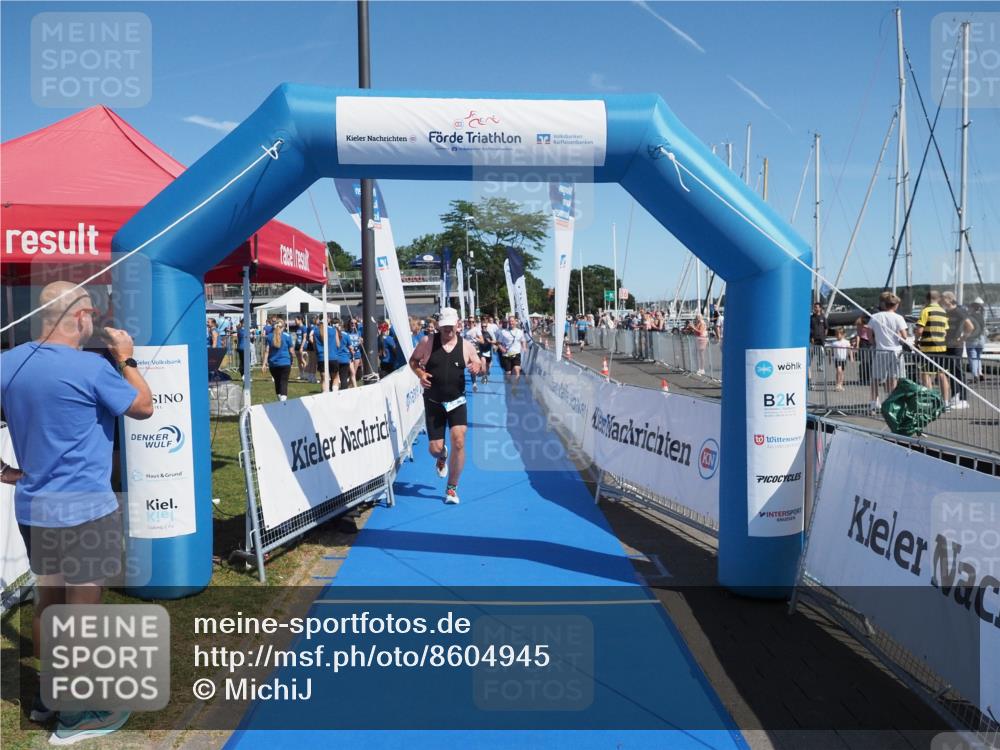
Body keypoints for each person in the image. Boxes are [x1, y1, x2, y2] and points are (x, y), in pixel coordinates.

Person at [0, 281, 153, 744]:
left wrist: (6, 470)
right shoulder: (91, 367)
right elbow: (144, 406)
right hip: (85, 510)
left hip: (34, 506)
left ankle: (51, 696)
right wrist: (126, 356)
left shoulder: (8, 362)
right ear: (80, 317)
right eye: (93, 315)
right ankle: (76, 714)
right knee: (83, 612)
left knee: (49, 604)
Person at [408, 307, 482, 504]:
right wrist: (421, 374)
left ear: (458, 325)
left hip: (457, 402)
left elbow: (478, 363)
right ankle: (441, 456)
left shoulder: (466, 346)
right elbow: (413, 361)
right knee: (434, 449)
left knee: (459, 440)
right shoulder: (427, 342)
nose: (448, 331)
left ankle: (451, 488)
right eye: (444, 327)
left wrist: (477, 367)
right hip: (434, 402)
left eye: (451, 327)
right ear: (439, 327)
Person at [867, 292, 909, 413]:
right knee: (893, 378)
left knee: (875, 378)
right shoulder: (898, 318)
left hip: (881, 350)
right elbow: (904, 336)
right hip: (895, 351)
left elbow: (869, 332)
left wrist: (873, 342)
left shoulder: (875, 316)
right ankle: (892, 403)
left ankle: (873, 403)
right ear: (895, 305)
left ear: (885, 304)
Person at [914, 290, 951, 406]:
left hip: (928, 347)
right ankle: (945, 401)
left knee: (926, 374)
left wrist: (916, 340)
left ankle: (930, 401)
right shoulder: (943, 312)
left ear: (926, 299)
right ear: (938, 299)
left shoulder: (926, 311)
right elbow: (945, 331)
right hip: (941, 347)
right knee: (942, 374)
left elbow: (920, 330)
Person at [940, 291, 973, 410]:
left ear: (949, 299)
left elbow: (970, 326)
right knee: (951, 371)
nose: (941, 301)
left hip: (955, 345)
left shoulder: (959, 311)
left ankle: (963, 398)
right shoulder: (947, 312)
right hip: (947, 344)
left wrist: (962, 338)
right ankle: (955, 396)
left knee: (957, 370)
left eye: (943, 298)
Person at [262, 319, 294, 401]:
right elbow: (291, 351)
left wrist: (264, 363)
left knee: (277, 381)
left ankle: (280, 400)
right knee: (284, 382)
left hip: (273, 364)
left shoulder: (269, 336)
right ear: (283, 327)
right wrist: (292, 360)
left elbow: (267, 351)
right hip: (285, 362)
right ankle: (283, 402)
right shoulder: (287, 336)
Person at [497, 317, 525, 383]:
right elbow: (498, 343)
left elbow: (523, 340)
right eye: (509, 321)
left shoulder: (520, 332)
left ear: (515, 322)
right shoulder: (503, 332)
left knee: (517, 370)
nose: (511, 323)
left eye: (512, 321)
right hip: (506, 355)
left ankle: (515, 387)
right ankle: (510, 381)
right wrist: (502, 349)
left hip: (516, 354)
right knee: (508, 374)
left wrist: (524, 347)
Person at [967, 298, 987, 383]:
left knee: (972, 357)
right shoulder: (982, 316)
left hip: (972, 338)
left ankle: (975, 375)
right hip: (982, 338)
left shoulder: (970, 316)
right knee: (978, 357)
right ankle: (980, 372)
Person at [809, 302, 828, 383]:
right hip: (814, 338)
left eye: (817, 307)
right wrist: (811, 337)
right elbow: (809, 328)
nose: (816, 308)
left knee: (821, 352)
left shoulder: (823, 317)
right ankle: (810, 365)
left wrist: (824, 336)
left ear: (820, 308)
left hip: (821, 338)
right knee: (812, 352)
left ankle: (820, 364)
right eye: (815, 307)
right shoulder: (811, 317)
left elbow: (826, 328)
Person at [852, 315, 874, 386]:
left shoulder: (872, 322)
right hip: (863, 341)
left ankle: (869, 378)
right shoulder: (860, 323)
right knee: (864, 361)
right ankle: (863, 378)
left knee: (870, 361)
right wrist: (857, 345)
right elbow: (858, 335)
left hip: (871, 342)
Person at [830, 327, 850, 391]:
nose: (838, 336)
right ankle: (837, 384)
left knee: (842, 372)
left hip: (843, 359)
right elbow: (831, 351)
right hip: (837, 359)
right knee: (839, 371)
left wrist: (851, 357)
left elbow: (849, 349)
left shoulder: (846, 342)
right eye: (837, 334)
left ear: (843, 334)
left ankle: (841, 384)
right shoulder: (834, 343)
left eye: (840, 334)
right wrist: (830, 359)